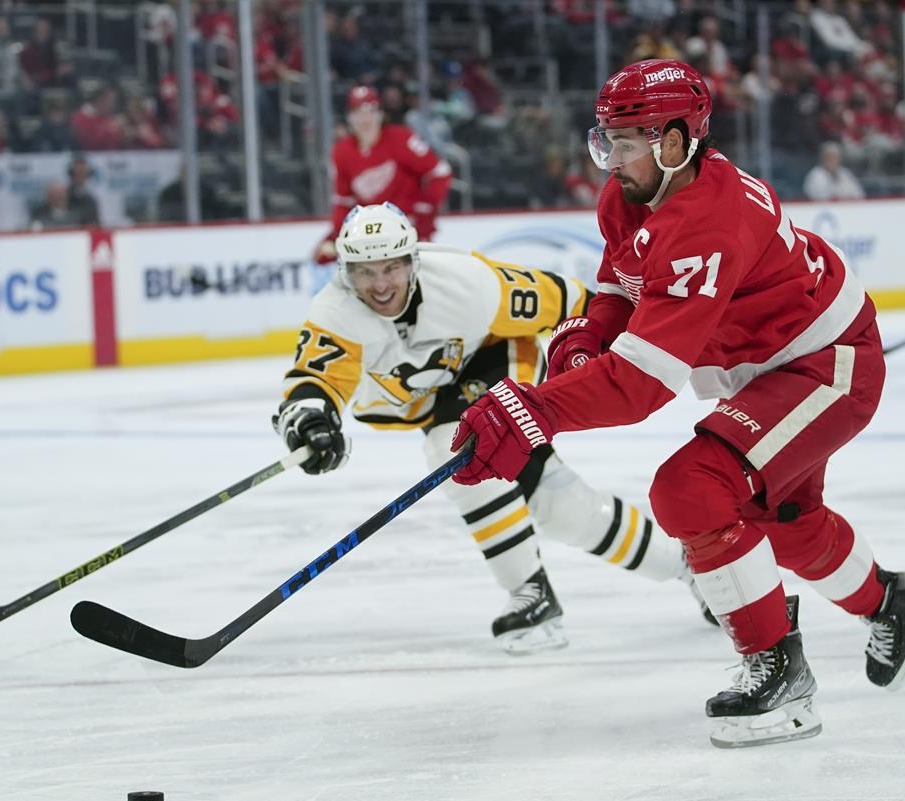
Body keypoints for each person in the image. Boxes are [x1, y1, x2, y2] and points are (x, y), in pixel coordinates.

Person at [448, 60, 905, 748]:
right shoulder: (632, 193)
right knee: (784, 521)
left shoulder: (708, 220)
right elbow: (622, 285)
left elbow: (641, 384)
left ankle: (778, 669)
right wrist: (589, 335)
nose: (611, 159)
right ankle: (892, 600)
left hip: (825, 364)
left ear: (677, 142)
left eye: (627, 142)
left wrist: (532, 410)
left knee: (693, 489)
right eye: (607, 140)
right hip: (768, 366)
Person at [277, 203, 713, 654]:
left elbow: (570, 301)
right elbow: (315, 380)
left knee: (454, 445)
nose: (381, 284)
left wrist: (630, 347)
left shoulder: (469, 284)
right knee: (561, 508)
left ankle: (530, 591)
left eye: (391, 267)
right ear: (346, 273)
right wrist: (311, 421)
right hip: (430, 401)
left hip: (495, 363)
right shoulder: (335, 311)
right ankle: (690, 566)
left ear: (413, 261)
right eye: (366, 272)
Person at [312, 86, 453, 265]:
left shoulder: (401, 138)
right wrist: (335, 237)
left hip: (408, 228)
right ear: (349, 117)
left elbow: (440, 172)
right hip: (371, 235)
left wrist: (424, 209)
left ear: (380, 114)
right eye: (358, 112)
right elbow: (343, 201)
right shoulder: (342, 152)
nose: (365, 119)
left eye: (370, 111)